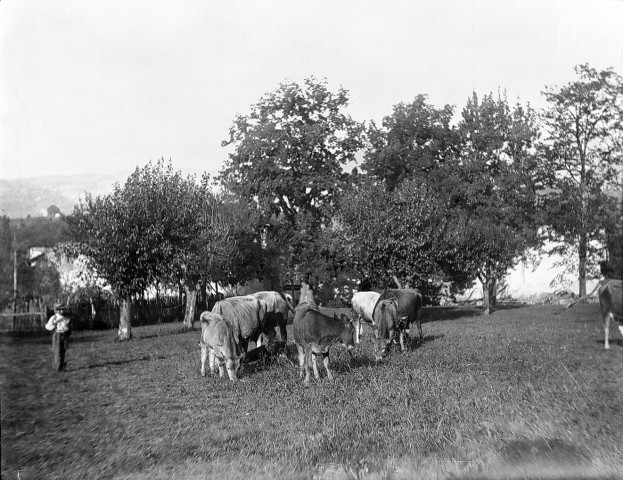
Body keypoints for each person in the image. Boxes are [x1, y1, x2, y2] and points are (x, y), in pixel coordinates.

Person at [45, 302, 71, 372]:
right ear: (57, 310)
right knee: (57, 351)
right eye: (60, 309)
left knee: (65, 350)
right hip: (57, 335)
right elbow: (47, 326)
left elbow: (67, 327)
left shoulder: (65, 318)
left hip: (65, 335)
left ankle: (63, 366)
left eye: (63, 309)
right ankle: (57, 367)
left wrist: (68, 328)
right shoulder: (53, 317)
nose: (62, 311)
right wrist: (54, 325)